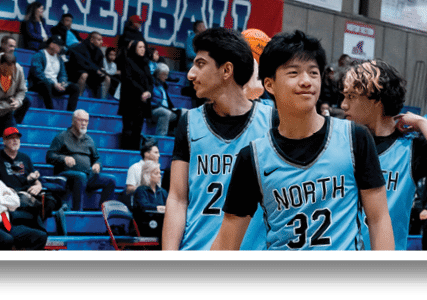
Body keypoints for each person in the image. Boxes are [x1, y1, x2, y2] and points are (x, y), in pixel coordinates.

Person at [210, 30, 394, 251]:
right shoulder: (253, 158)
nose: (306, 81)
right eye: (294, 73)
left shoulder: (355, 138)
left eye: (313, 73)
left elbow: (379, 219)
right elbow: (226, 242)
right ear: (269, 84)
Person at [162, 27, 275, 251]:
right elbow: (177, 199)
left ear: (226, 70)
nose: (190, 74)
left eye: (200, 64)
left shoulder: (272, 122)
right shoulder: (189, 123)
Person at [340, 58, 427, 250]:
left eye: (351, 96)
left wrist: (423, 124)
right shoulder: (340, 141)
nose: (343, 105)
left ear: (376, 99)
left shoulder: (410, 148)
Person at [45, 109, 117, 211]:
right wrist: (64, 158)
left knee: (111, 180)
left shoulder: (89, 140)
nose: (84, 123)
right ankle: (78, 211)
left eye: (86, 121)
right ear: (73, 121)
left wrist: (97, 165)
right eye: (81, 120)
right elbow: (49, 156)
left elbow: (97, 158)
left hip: (87, 176)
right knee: (80, 176)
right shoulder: (62, 137)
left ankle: (103, 212)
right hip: (67, 175)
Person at [0, 127, 62, 221]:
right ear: (4, 141)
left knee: (51, 200)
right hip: (10, 195)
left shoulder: (25, 158)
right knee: (26, 202)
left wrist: (38, 186)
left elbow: (35, 179)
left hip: (28, 192)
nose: (15, 140)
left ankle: (36, 221)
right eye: (11, 138)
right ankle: (35, 222)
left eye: (17, 138)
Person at [0, 154, 48, 250]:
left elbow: (15, 201)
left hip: (7, 224)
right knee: (6, 238)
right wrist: (6, 203)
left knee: (40, 236)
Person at [0, 52, 31, 146]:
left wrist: (18, 101)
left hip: (6, 111)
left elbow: (22, 90)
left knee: (13, 139)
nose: (8, 74)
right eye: (6, 71)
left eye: (11, 72)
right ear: (0, 66)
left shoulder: (18, 69)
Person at [117, 40, 154, 150]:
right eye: (140, 47)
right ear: (134, 48)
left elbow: (150, 81)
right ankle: (125, 151)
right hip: (130, 100)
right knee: (128, 127)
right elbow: (128, 80)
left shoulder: (145, 64)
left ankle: (134, 151)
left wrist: (148, 92)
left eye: (143, 47)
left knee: (138, 128)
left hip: (142, 102)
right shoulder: (128, 62)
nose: (143, 49)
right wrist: (142, 92)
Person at [29, 34, 81, 111]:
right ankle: (50, 110)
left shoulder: (59, 58)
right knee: (46, 84)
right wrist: (53, 84)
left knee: (74, 88)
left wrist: (62, 83)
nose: (61, 47)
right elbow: (38, 74)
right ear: (52, 45)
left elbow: (63, 74)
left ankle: (70, 112)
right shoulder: (39, 55)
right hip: (40, 85)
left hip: (55, 85)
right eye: (59, 45)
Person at [66, 31, 109, 98]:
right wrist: (95, 70)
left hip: (92, 73)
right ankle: (78, 97)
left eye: (102, 40)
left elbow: (100, 66)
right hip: (75, 73)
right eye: (99, 40)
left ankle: (102, 100)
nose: (101, 42)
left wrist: (101, 71)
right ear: (92, 40)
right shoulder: (79, 48)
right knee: (84, 74)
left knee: (107, 78)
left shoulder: (99, 52)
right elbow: (80, 65)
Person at [149, 63, 185, 137]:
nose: (166, 77)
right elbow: (152, 102)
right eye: (164, 74)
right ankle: (160, 138)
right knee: (165, 113)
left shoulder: (163, 85)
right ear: (158, 74)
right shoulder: (151, 84)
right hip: (153, 109)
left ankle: (176, 135)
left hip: (165, 108)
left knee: (184, 113)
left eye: (167, 74)